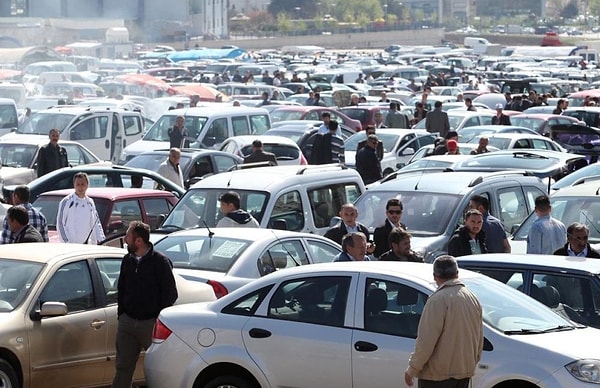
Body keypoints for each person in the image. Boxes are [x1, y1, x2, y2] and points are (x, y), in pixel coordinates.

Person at [111, 221, 178, 388]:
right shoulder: (127, 260)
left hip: (150, 324)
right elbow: (122, 287)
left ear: (138, 241)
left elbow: (170, 294)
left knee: (158, 368)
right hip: (127, 322)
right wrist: (122, 314)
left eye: (128, 236)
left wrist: (157, 318)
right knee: (122, 367)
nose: (125, 239)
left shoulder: (160, 262)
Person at [404, 255, 483, 388]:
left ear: (435, 276)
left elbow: (426, 341)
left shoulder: (438, 300)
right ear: (457, 274)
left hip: (438, 375)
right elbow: (479, 338)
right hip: (464, 372)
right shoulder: (471, 297)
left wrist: (412, 369)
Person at [57, 172, 105, 244]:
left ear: (87, 185)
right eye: (78, 184)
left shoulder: (90, 202)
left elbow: (96, 222)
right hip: (71, 246)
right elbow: (60, 223)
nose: (80, 187)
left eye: (83, 184)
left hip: (87, 246)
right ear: (74, 185)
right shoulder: (67, 201)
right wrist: (67, 242)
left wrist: (101, 239)